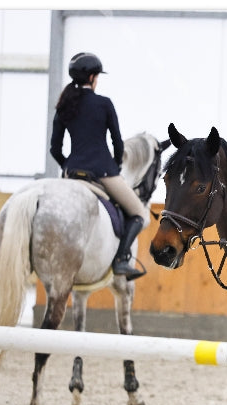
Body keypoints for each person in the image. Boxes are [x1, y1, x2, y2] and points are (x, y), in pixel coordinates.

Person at [50, 52, 149, 280]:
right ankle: (121, 260)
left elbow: (55, 149)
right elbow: (117, 143)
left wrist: (69, 167)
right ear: (93, 77)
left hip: (71, 173)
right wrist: (114, 167)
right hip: (103, 172)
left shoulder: (63, 105)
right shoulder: (104, 104)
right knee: (139, 213)